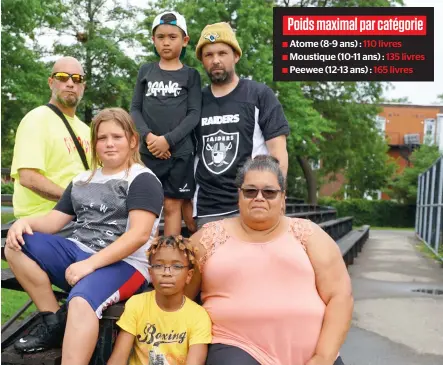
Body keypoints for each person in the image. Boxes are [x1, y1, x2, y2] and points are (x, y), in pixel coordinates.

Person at [4, 108, 164, 365]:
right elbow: (53, 222)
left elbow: (138, 235)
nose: (109, 143)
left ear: (132, 141)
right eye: (102, 138)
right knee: (16, 245)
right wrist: (23, 223)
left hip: (125, 264)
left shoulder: (143, 179)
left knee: (81, 301)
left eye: (117, 136)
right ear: (94, 144)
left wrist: (90, 264)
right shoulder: (81, 180)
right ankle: (53, 320)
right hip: (78, 252)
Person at [186, 155, 353, 365]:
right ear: (239, 195)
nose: (259, 197)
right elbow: (180, 296)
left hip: (312, 354)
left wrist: (323, 357)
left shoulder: (310, 235)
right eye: (250, 191)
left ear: (282, 198)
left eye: (269, 192)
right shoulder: (206, 239)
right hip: (235, 345)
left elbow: (340, 297)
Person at [193, 22, 290, 229]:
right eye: (208, 55)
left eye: (222, 53)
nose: (216, 60)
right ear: (202, 60)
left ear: (236, 56)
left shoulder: (259, 95)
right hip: (207, 210)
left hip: (253, 205)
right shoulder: (195, 101)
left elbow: (278, 153)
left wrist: (279, 198)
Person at [131, 11, 202, 236]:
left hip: (179, 154)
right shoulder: (146, 71)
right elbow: (135, 109)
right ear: (153, 40)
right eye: (160, 37)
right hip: (148, 153)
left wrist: (167, 141)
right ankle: (141, 257)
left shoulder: (191, 75)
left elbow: (194, 114)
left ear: (185, 40)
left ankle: (170, 259)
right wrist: (150, 138)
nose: (166, 42)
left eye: (173, 36)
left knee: (173, 207)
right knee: (145, 207)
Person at [108, 235, 212, 365]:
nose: (167, 273)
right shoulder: (137, 304)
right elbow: (118, 359)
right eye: (159, 266)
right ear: (150, 273)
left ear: (189, 275)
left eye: (177, 266)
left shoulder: (198, 316)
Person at [10, 56, 91, 218]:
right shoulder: (36, 119)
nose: (70, 83)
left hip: (82, 219)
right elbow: (29, 177)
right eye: (62, 77)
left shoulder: (87, 130)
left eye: (77, 79)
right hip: (42, 219)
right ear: (50, 82)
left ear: (83, 86)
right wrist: (75, 201)